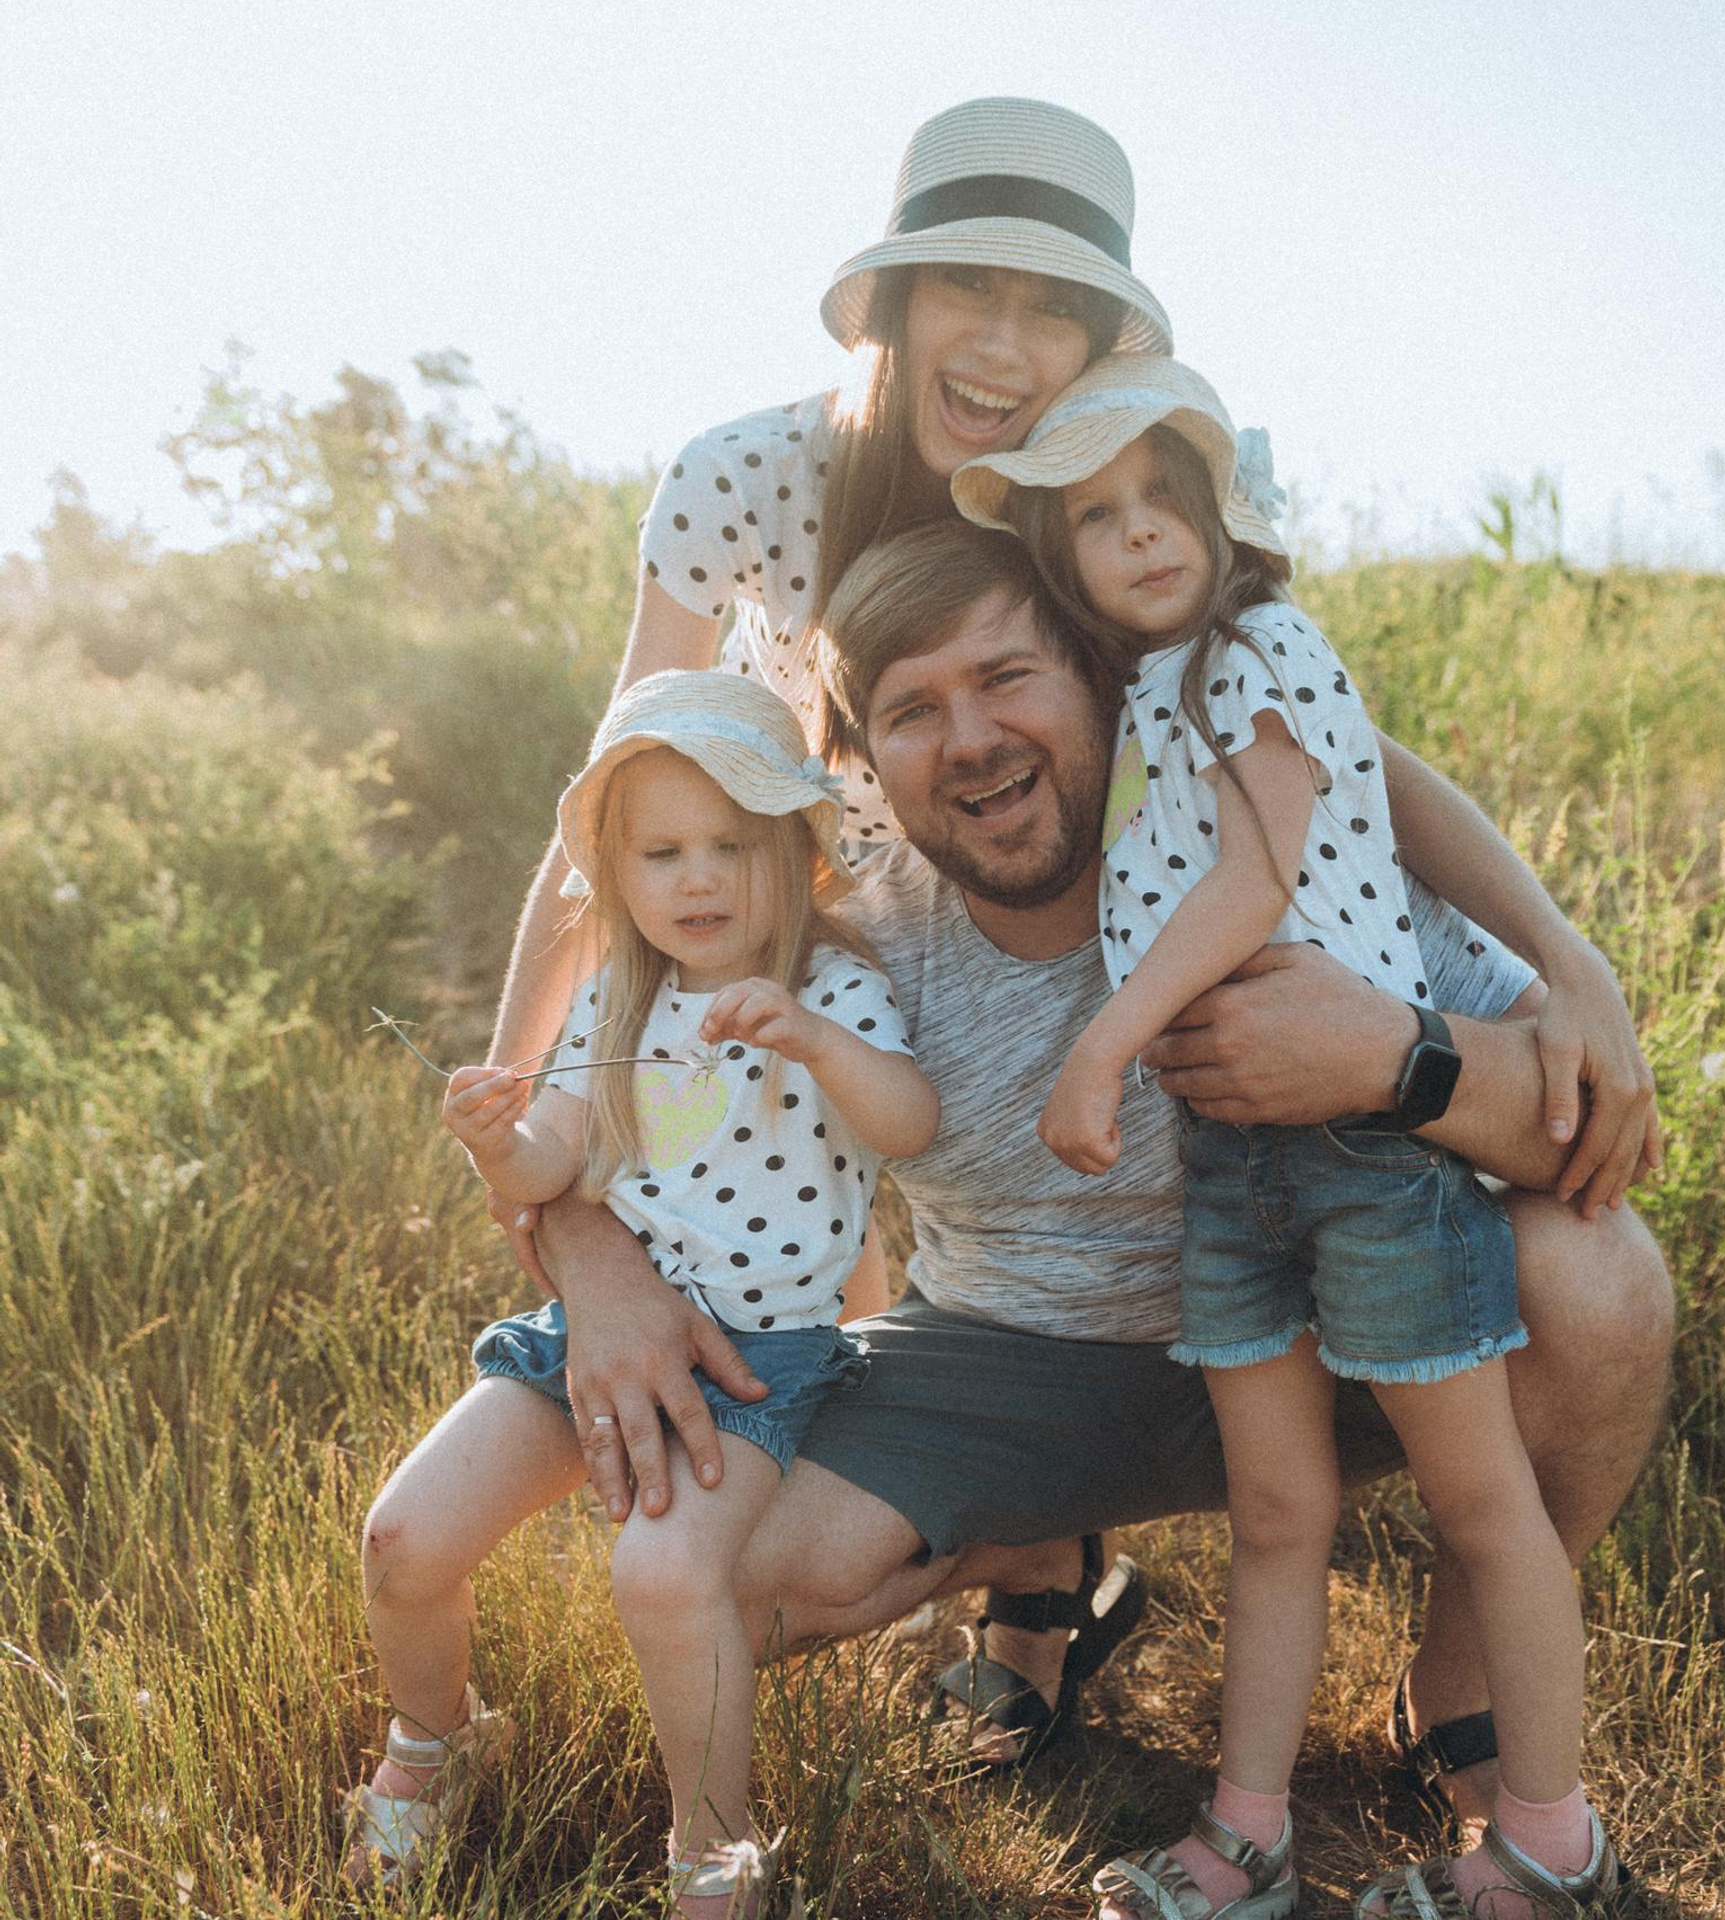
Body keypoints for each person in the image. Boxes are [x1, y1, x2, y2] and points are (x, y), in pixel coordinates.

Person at [487, 93, 1663, 1782]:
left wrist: (1568, 963)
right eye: (966, 287)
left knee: (1591, 1268)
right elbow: (616, 803)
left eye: (1054, 306)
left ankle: (1464, 1664)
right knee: (785, 1495)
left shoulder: (1098, 495)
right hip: (944, 1011)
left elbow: (1326, 738)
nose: (1005, 343)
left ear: (1109, 340)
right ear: (888, 302)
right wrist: (559, 1208)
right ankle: (1042, 1570)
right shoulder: (756, 483)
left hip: (1244, 1167)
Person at [952, 357, 1624, 1918]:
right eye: (1097, 518)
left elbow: (1257, 885)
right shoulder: (1146, 701)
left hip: (1362, 1159)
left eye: (1161, 498)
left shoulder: (1260, 645)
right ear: (1066, 562)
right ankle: (1245, 1839)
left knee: (1480, 1501)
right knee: (1275, 1511)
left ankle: (1548, 1842)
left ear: (1218, 506)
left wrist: (1106, 1046)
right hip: (1233, 1162)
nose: (1139, 535)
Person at [343, 671, 938, 1914]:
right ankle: (433, 1742)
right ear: (615, 874)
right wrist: (493, 1141)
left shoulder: (831, 986)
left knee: (663, 1577)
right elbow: (554, 1159)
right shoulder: (621, 991)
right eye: (662, 853)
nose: (699, 879)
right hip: (589, 1333)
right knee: (401, 1540)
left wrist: (816, 1043)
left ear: (794, 851)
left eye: (731, 845)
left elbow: (911, 1121)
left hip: (761, 1360)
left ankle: (716, 1855)